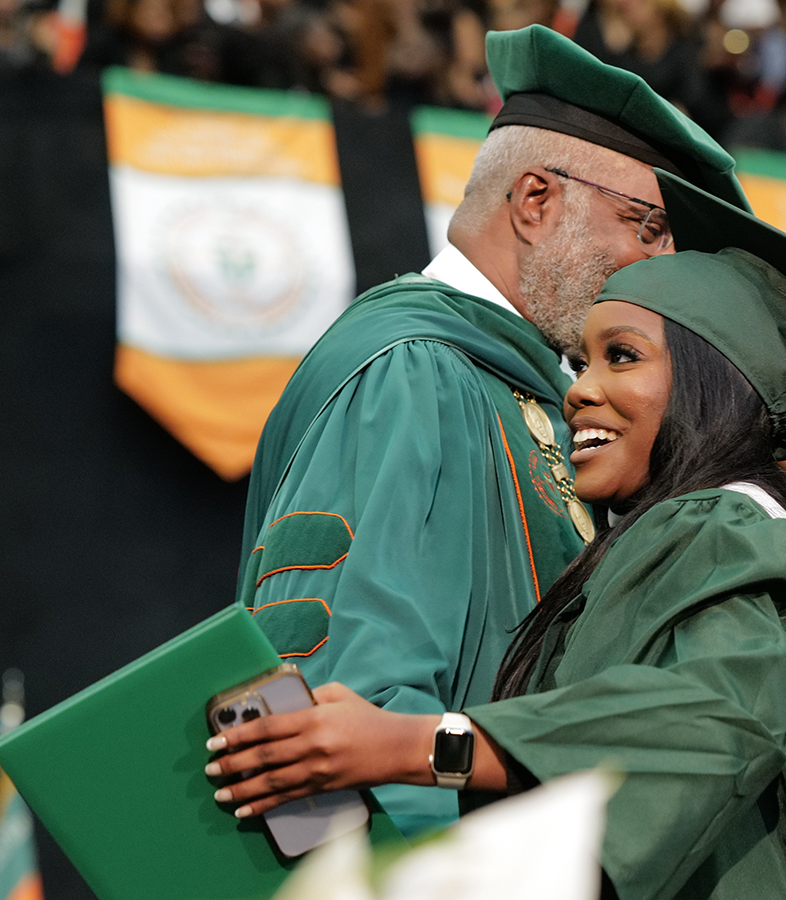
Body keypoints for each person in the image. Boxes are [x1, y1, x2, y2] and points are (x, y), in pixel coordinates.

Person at [209, 171, 786, 900]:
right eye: (582, 360)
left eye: (621, 356)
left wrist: (414, 742)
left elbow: (704, 720)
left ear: (708, 384)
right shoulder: (717, 536)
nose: (578, 389)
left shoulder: (717, 522)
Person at [234, 22, 752, 837]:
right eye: (643, 228)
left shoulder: (526, 387)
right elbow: (352, 690)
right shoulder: (410, 371)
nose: (657, 271)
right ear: (536, 200)